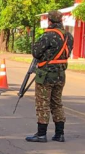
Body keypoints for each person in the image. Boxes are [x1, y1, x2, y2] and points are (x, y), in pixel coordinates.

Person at [25, 10, 74, 143]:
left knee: (43, 104)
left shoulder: (48, 36)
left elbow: (36, 52)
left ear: (49, 21)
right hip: (60, 74)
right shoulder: (68, 36)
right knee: (57, 103)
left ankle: (41, 134)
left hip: (46, 74)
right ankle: (60, 134)